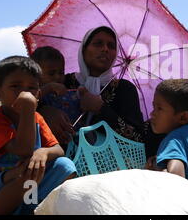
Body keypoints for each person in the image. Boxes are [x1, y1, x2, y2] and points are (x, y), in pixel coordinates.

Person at [0, 56, 77, 215]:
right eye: (15, 86)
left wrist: (43, 152)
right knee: (24, 173)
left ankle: (29, 209)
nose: (25, 93)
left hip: (25, 186)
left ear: (38, 93)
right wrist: (28, 109)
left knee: (64, 165)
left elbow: (58, 149)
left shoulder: (37, 118)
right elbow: (23, 149)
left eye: (32, 88)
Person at [63, 26, 164, 158]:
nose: (105, 49)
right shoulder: (65, 83)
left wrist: (101, 109)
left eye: (111, 46)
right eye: (98, 43)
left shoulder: (124, 89)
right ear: (84, 49)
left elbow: (137, 138)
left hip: (108, 169)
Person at [31, 46, 81, 130]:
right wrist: (49, 87)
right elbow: (29, 100)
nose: (57, 77)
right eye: (51, 73)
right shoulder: (40, 94)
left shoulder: (68, 91)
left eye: (61, 72)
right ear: (36, 76)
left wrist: (83, 94)